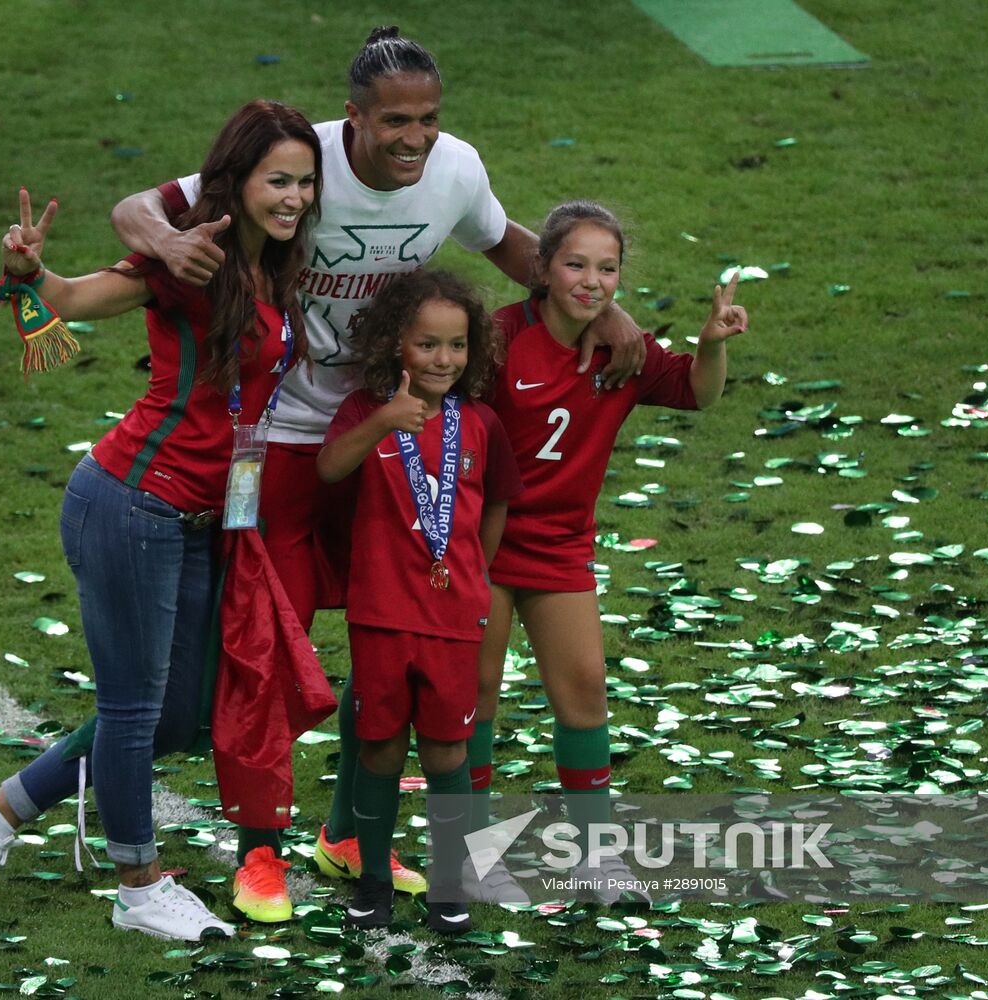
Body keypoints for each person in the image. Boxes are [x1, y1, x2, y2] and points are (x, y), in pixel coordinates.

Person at [109, 26, 648, 919]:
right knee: (261, 641)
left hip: (388, 438)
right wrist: (166, 248)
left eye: (428, 119)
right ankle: (258, 855)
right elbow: (139, 205)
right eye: (395, 120)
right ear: (351, 118)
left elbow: (510, 244)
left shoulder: (455, 170)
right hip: (269, 439)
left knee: (392, 627)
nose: (414, 138)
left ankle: (350, 833)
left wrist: (611, 310)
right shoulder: (297, 158)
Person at [0, 99, 323, 941]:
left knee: (180, 712)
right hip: (133, 504)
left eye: (304, 180)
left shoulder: (276, 267)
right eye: (277, 180)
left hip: (200, 520)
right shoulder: (191, 261)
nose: (294, 195)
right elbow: (78, 298)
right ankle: (138, 886)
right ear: (238, 180)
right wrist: (26, 274)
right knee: (132, 707)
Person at [466, 201, 748, 904]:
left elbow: (697, 393)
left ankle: (595, 857)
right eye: (575, 264)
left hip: (560, 551)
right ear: (542, 268)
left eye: (607, 268)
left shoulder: (626, 351)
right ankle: (467, 852)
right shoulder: (498, 340)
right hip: (484, 545)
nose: (592, 281)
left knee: (586, 691)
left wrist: (712, 343)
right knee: (474, 699)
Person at [316, 270, 521, 933]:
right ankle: (373, 880)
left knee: (445, 754)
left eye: (456, 346)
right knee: (378, 748)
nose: (443, 360)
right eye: (427, 344)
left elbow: (494, 504)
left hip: (453, 618)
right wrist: (382, 419)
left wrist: (472, 571)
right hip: (380, 615)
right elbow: (328, 469)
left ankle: (450, 886)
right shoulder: (364, 412)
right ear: (394, 345)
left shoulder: (481, 424)